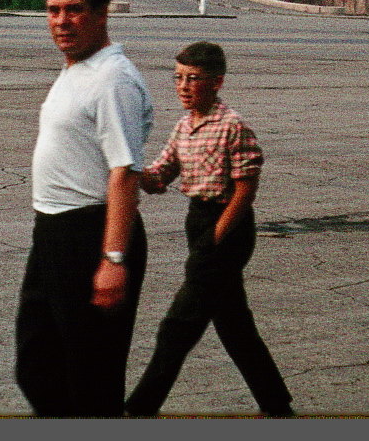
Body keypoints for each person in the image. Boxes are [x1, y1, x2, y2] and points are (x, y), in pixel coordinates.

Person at [125, 41, 293, 418]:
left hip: (227, 226)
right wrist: (129, 166)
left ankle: (138, 409)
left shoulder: (232, 126)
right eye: (178, 78)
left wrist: (215, 240)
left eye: (193, 79)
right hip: (197, 220)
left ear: (216, 82)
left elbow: (246, 191)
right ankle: (277, 405)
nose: (183, 86)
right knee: (234, 326)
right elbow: (159, 177)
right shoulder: (184, 126)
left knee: (177, 326)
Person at [15, 0, 152, 416]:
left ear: (101, 14)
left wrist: (113, 260)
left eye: (74, 10)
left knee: (90, 376)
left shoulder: (112, 79)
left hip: (90, 235)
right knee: (37, 365)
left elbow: (123, 171)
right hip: (53, 233)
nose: (61, 21)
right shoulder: (78, 69)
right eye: (53, 11)